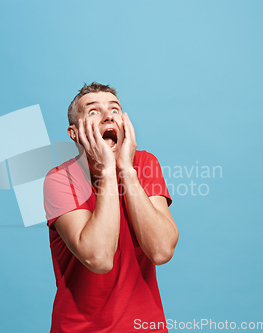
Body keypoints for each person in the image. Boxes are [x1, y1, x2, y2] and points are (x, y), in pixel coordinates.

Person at [43, 83, 179, 332]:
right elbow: (99, 258)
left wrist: (126, 170)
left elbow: (161, 251)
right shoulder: (60, 179)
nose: (107, 116)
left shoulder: (144, 164)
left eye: (114, 110)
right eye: (93, 112)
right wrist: (107, 170)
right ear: (74, 133)